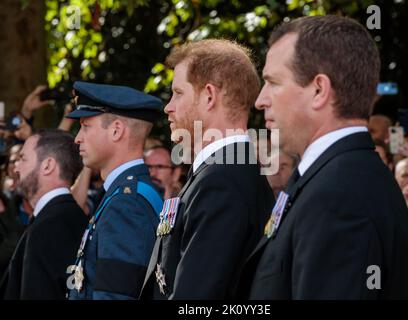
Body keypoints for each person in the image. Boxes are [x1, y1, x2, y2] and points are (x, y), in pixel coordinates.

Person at [243, 15, 408, 299]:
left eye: (273, 83)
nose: (260, 100)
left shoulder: (340, 196)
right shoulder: (330, 179)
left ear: (318, 90)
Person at [140, 39, 274, 299]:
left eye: (178, 93)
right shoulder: (220, 171)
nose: (168, 106)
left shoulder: (221, 179)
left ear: (209, 96)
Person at [66, 81, 164, 300]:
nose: (77, 138)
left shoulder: (127, 204)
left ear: (117, 130)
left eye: (86, 126)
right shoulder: (126, 194)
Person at [1, 130, 87, 299]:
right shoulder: (75, 218)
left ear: (47, 165)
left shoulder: (47, 228)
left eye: (23, 159)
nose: (16, 168)